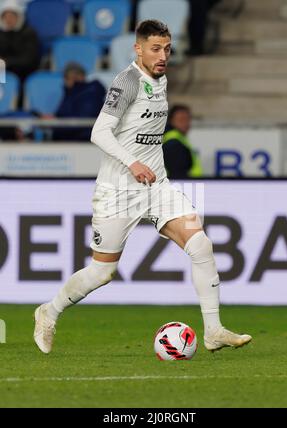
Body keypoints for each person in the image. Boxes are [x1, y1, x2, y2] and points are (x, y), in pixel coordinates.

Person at [33, 19, 252, 354]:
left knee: (201, 245)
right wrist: (133, 163)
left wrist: (146, 166)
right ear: (138, 49)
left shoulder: (160, 79)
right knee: (102, 272)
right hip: (118, 190)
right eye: (155, 48)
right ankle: (49, 311)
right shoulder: (127, 82)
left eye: (167, 48)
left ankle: (213, 330)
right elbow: (99, 132)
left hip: (156, 187)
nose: (163, 55)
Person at [50, 63, 106, 141]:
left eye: (67, 77)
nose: (65, 81)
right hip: (69, 141)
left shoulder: (90, 94)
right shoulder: (71, 93)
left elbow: (82, 122)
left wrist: (55, 123)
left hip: (82, 143)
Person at [0, 0, 40, 81]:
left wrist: (7, 62)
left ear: (19, 17)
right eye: (6, 16)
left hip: (24, 74)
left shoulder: (29, 33)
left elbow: (29, 60)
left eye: (11, 16)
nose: (8, 20)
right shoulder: (1, 34)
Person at [163, 104, 202, 179]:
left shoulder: (178, 138)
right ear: (171, 121)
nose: (186, 123)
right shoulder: (173, 143)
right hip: (186, 187)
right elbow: (178, 174)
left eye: (188, 119)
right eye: (181, 120)